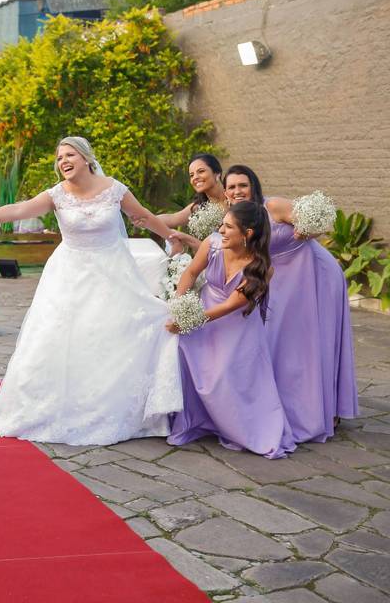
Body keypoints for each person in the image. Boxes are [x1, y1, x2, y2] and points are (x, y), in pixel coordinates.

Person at [0, 136, 185, 445]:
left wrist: (171, 236)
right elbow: (18, 210)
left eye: (69, 155)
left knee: (121, 331)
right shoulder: (57, 194)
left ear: (86, 158)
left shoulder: (115, 189)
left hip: (112, 274)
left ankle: (115, 401)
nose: (63, 162)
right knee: (62, 337)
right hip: (68, 276)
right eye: (59, 158)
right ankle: (57, 404)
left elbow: (143, 216)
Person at [218, 166, 357, 442]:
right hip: (278, 281)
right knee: (285, 344)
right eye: (232, 187)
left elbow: (320, 221)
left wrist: (308, 231)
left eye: (242, 185)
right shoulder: (236, 217)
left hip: (314, 275)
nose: (237, 191)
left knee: (314, 341)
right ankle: (292, 406)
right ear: (225, 192)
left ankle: (327, 410)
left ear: (253, 185)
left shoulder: (273, 206)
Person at [166, 201, 296, 458]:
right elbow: (191, 273)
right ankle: (197, 421)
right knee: (183, 354)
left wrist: (191, 320)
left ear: (247, 234)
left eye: (228, 227)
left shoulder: (262, 269)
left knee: (225, 374)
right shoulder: (212, 245)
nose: (221, 231)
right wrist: (179, 305)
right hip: (203, 312)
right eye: (222, 225)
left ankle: (243, 427)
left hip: (235, 326)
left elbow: (230, 306)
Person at [152, 153, 227, 251]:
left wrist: (187, 239)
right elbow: (173, 218)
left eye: (201, 171)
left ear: (217, 173)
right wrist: (142, 217)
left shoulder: (233, 200)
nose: (195, 177)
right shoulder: (199, 207)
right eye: (191, 175)